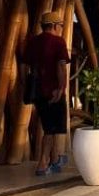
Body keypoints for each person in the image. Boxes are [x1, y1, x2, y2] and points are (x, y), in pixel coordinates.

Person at [23, 12, 70, 175]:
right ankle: (43, 164)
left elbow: (28, 64)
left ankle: (55, 158)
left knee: (50, 125)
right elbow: (61, 66)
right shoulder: (58, 42)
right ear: (55, 26)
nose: (61, 28)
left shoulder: (33, 42)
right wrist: (61, 88)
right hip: (52, 90)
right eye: (61, 25)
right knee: (51, 129)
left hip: (37, 91)